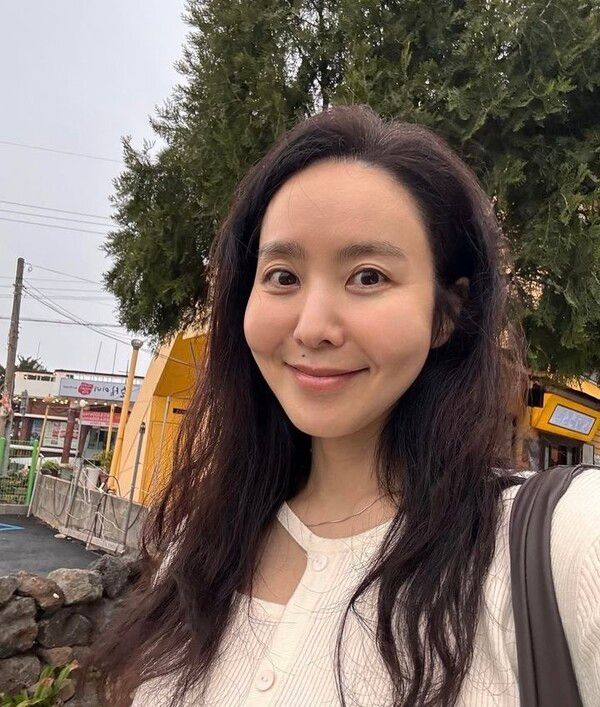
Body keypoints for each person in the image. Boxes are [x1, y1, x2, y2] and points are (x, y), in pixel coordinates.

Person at [93, 106, 600, 706]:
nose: (312, 327)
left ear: (446, 313)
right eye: (282, 276)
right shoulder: (199, 547)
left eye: (367, 276)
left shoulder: (562, 541)